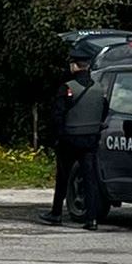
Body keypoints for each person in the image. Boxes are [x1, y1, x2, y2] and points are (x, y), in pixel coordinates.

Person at [41, 45, 104, 230]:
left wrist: (56, 138)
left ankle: (56, 213)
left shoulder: (68, 88)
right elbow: (104, 111)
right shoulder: (99, 88)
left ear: (74, 66)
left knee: (63, 177)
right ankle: (91, 219)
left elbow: (57, 115)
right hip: (91, 140)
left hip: (69, 139)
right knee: (89, 178)